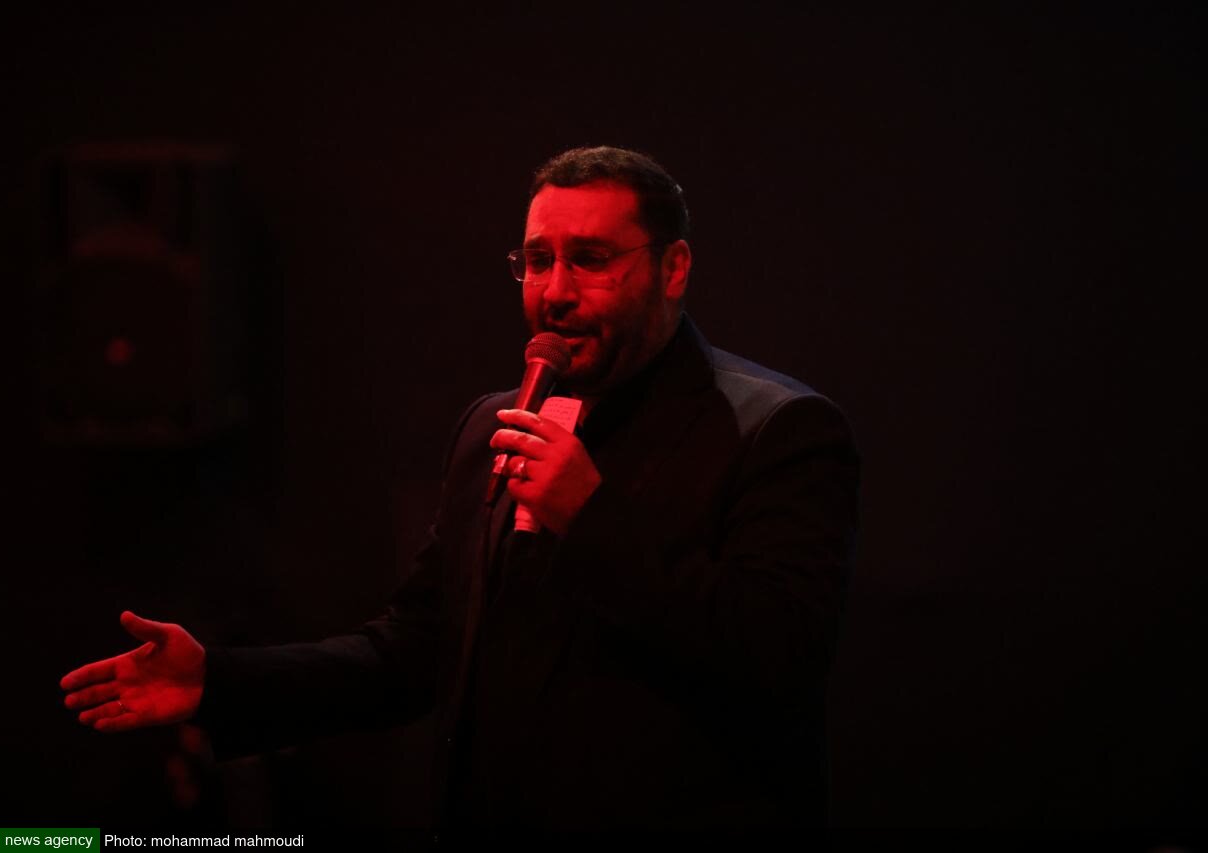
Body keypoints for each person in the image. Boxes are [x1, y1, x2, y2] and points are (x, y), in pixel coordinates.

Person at [61, 145, 860, 832]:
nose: (554, 291)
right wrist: (222, 682)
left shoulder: (776, 430)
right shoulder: (495, 425)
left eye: (590, 259)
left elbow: (778, 658)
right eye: (537, 261)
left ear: (672, 267)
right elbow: (414, 651)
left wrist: (590, 518)